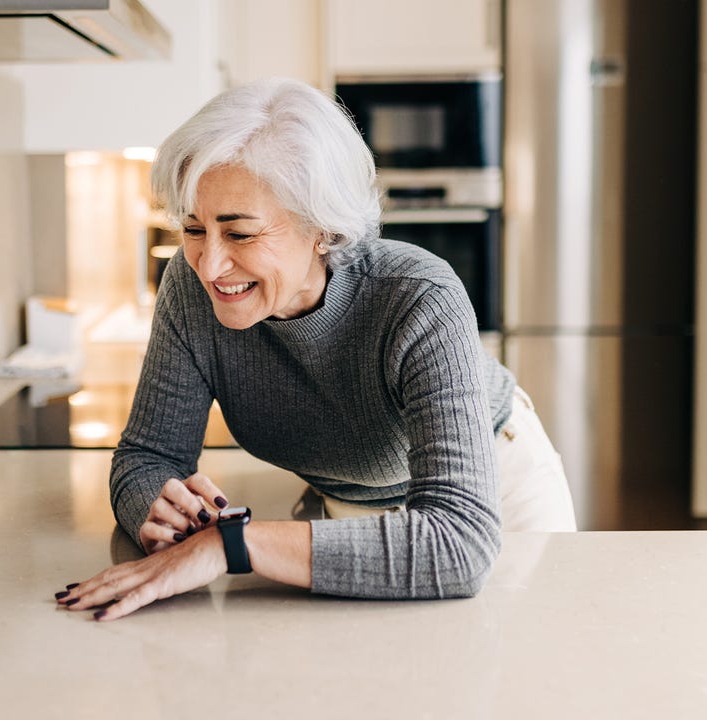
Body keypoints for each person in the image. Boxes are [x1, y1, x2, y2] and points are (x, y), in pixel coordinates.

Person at [55, 78, 576, 621]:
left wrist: (231, 543)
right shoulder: (189, 293)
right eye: (193, 228)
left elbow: (458, 544)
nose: (208, 265)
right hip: (350, 505)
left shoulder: (419, 297)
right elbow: (147, 456)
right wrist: (155, 507)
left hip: (497, 493)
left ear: (321, 229)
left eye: (240, 234)